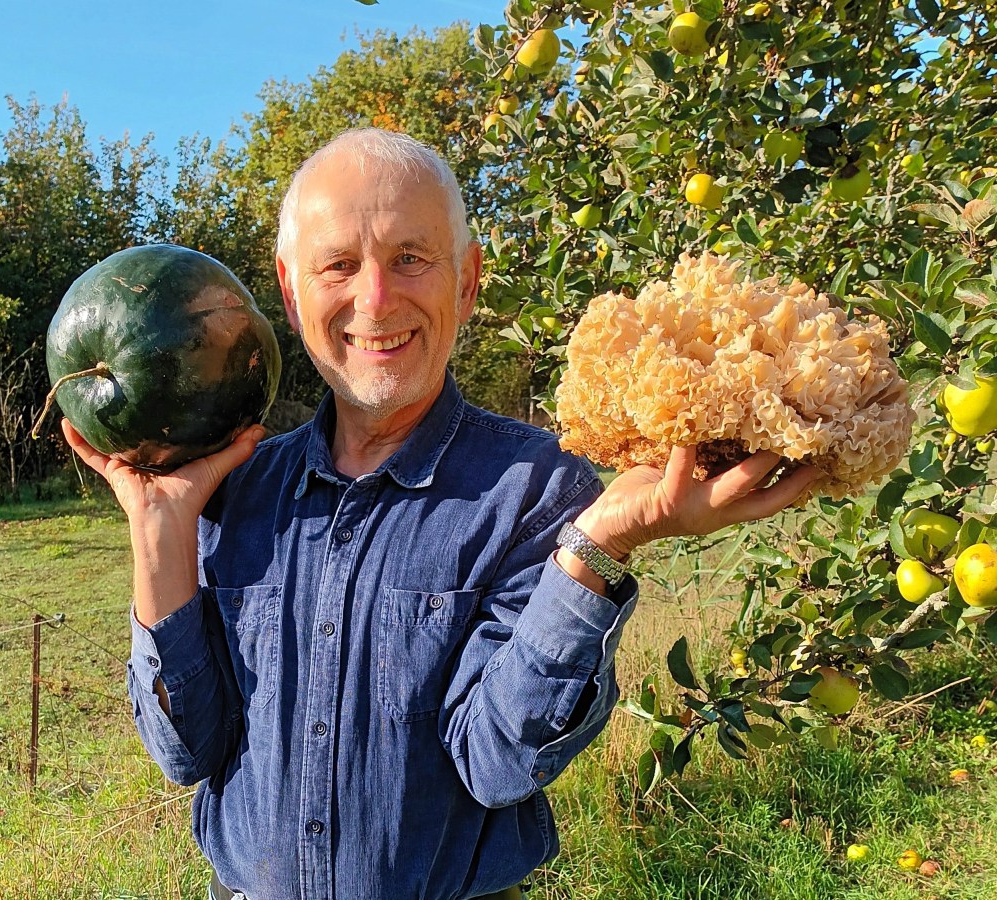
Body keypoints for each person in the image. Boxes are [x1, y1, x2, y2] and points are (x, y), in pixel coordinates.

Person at [62, 128, 818, 900]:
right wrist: (161, 534)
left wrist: (602, 543)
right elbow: (186, 752)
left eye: (411, 258)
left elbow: (497, 764)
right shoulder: (238, 489)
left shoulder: (535, 490)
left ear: (467, 282)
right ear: (291, 295)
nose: (376, 300)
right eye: (339, 266)